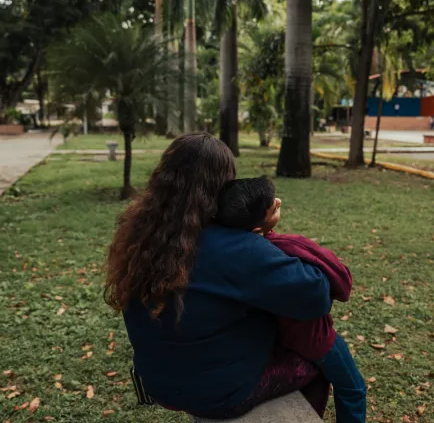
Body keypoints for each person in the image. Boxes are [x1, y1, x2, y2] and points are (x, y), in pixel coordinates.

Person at [106, 133, 333, 420]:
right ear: (224, 187)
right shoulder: (233, 246)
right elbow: (316, 296)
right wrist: (266, 230)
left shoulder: (139, 233)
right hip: (222, 393)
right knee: (318, 359)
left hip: (158, 382)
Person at [216, 177, 367, 423]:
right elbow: (342, 281)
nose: (279, 202)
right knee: (353, 388)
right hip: (315, 338)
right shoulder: (286, 248)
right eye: (274, 208)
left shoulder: (227, 254)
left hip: (280, 338)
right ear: (256, 230)